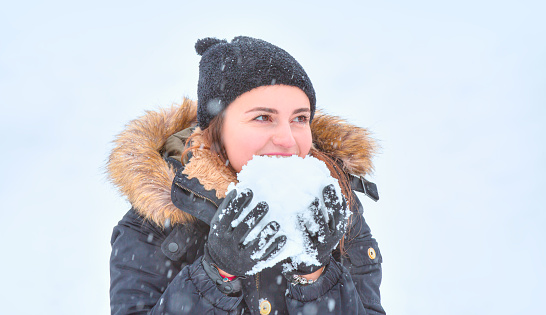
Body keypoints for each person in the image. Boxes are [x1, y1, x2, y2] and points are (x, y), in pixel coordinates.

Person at [108, 36, 385, 315]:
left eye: (300, 118)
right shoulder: (157, 221)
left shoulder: (336, 203)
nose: (288, 139)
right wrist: (218, 275)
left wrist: (314, 277)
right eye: (263, 117)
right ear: (216, 132)